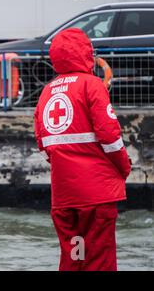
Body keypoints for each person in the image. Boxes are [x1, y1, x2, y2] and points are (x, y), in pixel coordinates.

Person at [34, 28, 132, 271]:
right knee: (99, 259)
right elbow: (110, 137)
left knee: (74, 256)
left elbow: (43, 143)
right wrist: (123, 168)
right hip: (97, 194)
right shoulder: (92, 85)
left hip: (64, 195)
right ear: (87, 53)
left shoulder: (47, 91)